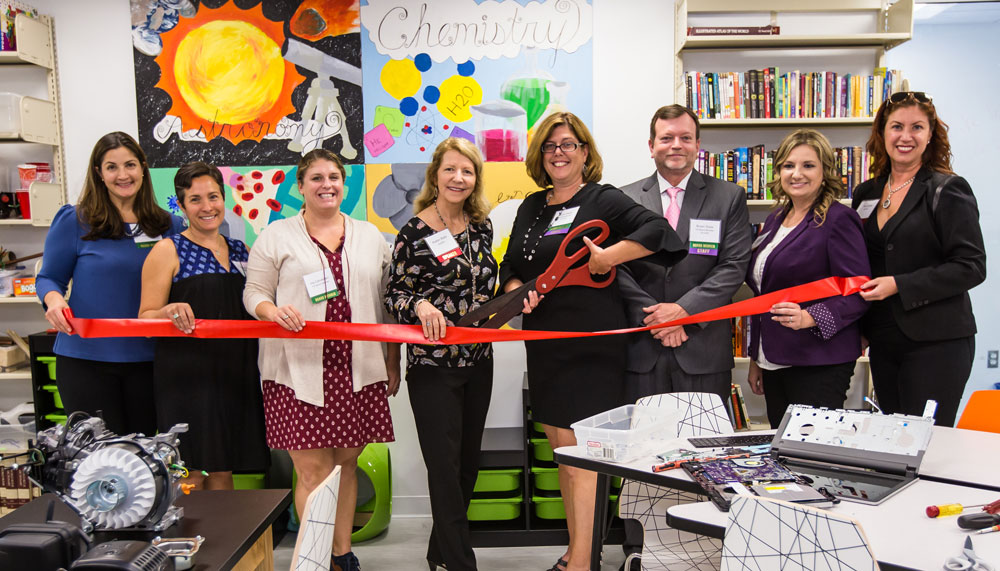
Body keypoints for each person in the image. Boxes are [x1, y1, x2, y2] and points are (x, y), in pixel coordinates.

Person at [499, 112, 686, 571]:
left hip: (591, 345)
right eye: (550, 146)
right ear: (539, 156)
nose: (558, 153)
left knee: (583, 456)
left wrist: (609, 257)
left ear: (585, 151)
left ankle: (581, 562)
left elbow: (662, 234)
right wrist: (514, 294)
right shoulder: (531, 207)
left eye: (568, 144)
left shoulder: (603, 199)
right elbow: (512, 267)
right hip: (544, 342)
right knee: (563, 453)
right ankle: (578, 552)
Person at [243, 149, 400, 571]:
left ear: (344, 184)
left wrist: (392, 361)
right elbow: (253, 292)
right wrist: (271, 312)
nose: (326, 184)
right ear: (300, 186)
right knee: (314, 473)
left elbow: (386, 307)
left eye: (333, 176)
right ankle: (313, 560)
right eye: (316, 177)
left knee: (345, 467)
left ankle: (341, 554)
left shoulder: (370, 236)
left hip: (358, 369)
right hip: (296, 372)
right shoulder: (275, 236)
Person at [617, 105, 751, 564]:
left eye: (685, 137)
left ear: (698, 144)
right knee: (644, 455)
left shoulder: (727, 196)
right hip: (644, 345)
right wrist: (657, 318)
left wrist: (683, 313)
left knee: (704, 454)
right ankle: (640, 550)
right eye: (666, 137)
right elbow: (615, 270)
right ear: (651, 144)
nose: (676, 145)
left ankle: (704, 547)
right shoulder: (625, 198)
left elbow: (733, 267)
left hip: (702, 347)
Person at [384, 138, 499, 571]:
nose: (458, 178)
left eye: (467, 171)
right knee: (444, 468)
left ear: (475, 179)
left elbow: (487, 284)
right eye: (450, 170)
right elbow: (394, 292)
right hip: (433, 366)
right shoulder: (414, 231)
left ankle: (438, 551)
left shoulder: (481, 226)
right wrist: (420, 305)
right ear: (435, 176)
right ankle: (458, 562)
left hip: (479, 360)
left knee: (468, 464)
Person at [36, 131, 184, 436]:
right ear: (99, 174)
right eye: (112, 167)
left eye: (130, 165)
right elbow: (49, 277)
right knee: (99, 463)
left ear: (143, 167)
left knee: (148, 460)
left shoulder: (170, 225)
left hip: (152, 361)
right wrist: (54, 300)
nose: (123, 175)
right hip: (86, 361)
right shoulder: (75, 221)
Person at [852, 92, 985, 427]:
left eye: (917, 127)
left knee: (926, 446)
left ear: (930, 135)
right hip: (883, 342)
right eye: (896, 126)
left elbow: (971, 266)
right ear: (882, 132)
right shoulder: (866, 193)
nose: (906, 136)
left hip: (937, 342)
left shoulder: (947, 189)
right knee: (892, 443)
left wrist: (900, 284)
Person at [137, 162, 269, 490]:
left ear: (224, 200)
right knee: (192, 469)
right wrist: (167, 311)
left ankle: (223, 541)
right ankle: (189, 541)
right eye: (195, 200)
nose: (207, 207)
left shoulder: (242, 250)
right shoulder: (168, 250)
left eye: (213, 197)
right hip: (187, 375)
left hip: (234, 372)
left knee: (225, 465)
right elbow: (144, 319)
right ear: (181, 206)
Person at [745, 129, 870, 429]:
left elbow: (858, 291)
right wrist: (756, 357)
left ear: (825, 171)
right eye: (788, 165)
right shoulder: (777, 218)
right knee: (782, 453)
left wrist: (810, 317)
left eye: (808, 165)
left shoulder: (838, 219)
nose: (796, 174)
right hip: (773, 359)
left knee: (810, 458)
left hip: (818, 361)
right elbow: (766, 292)